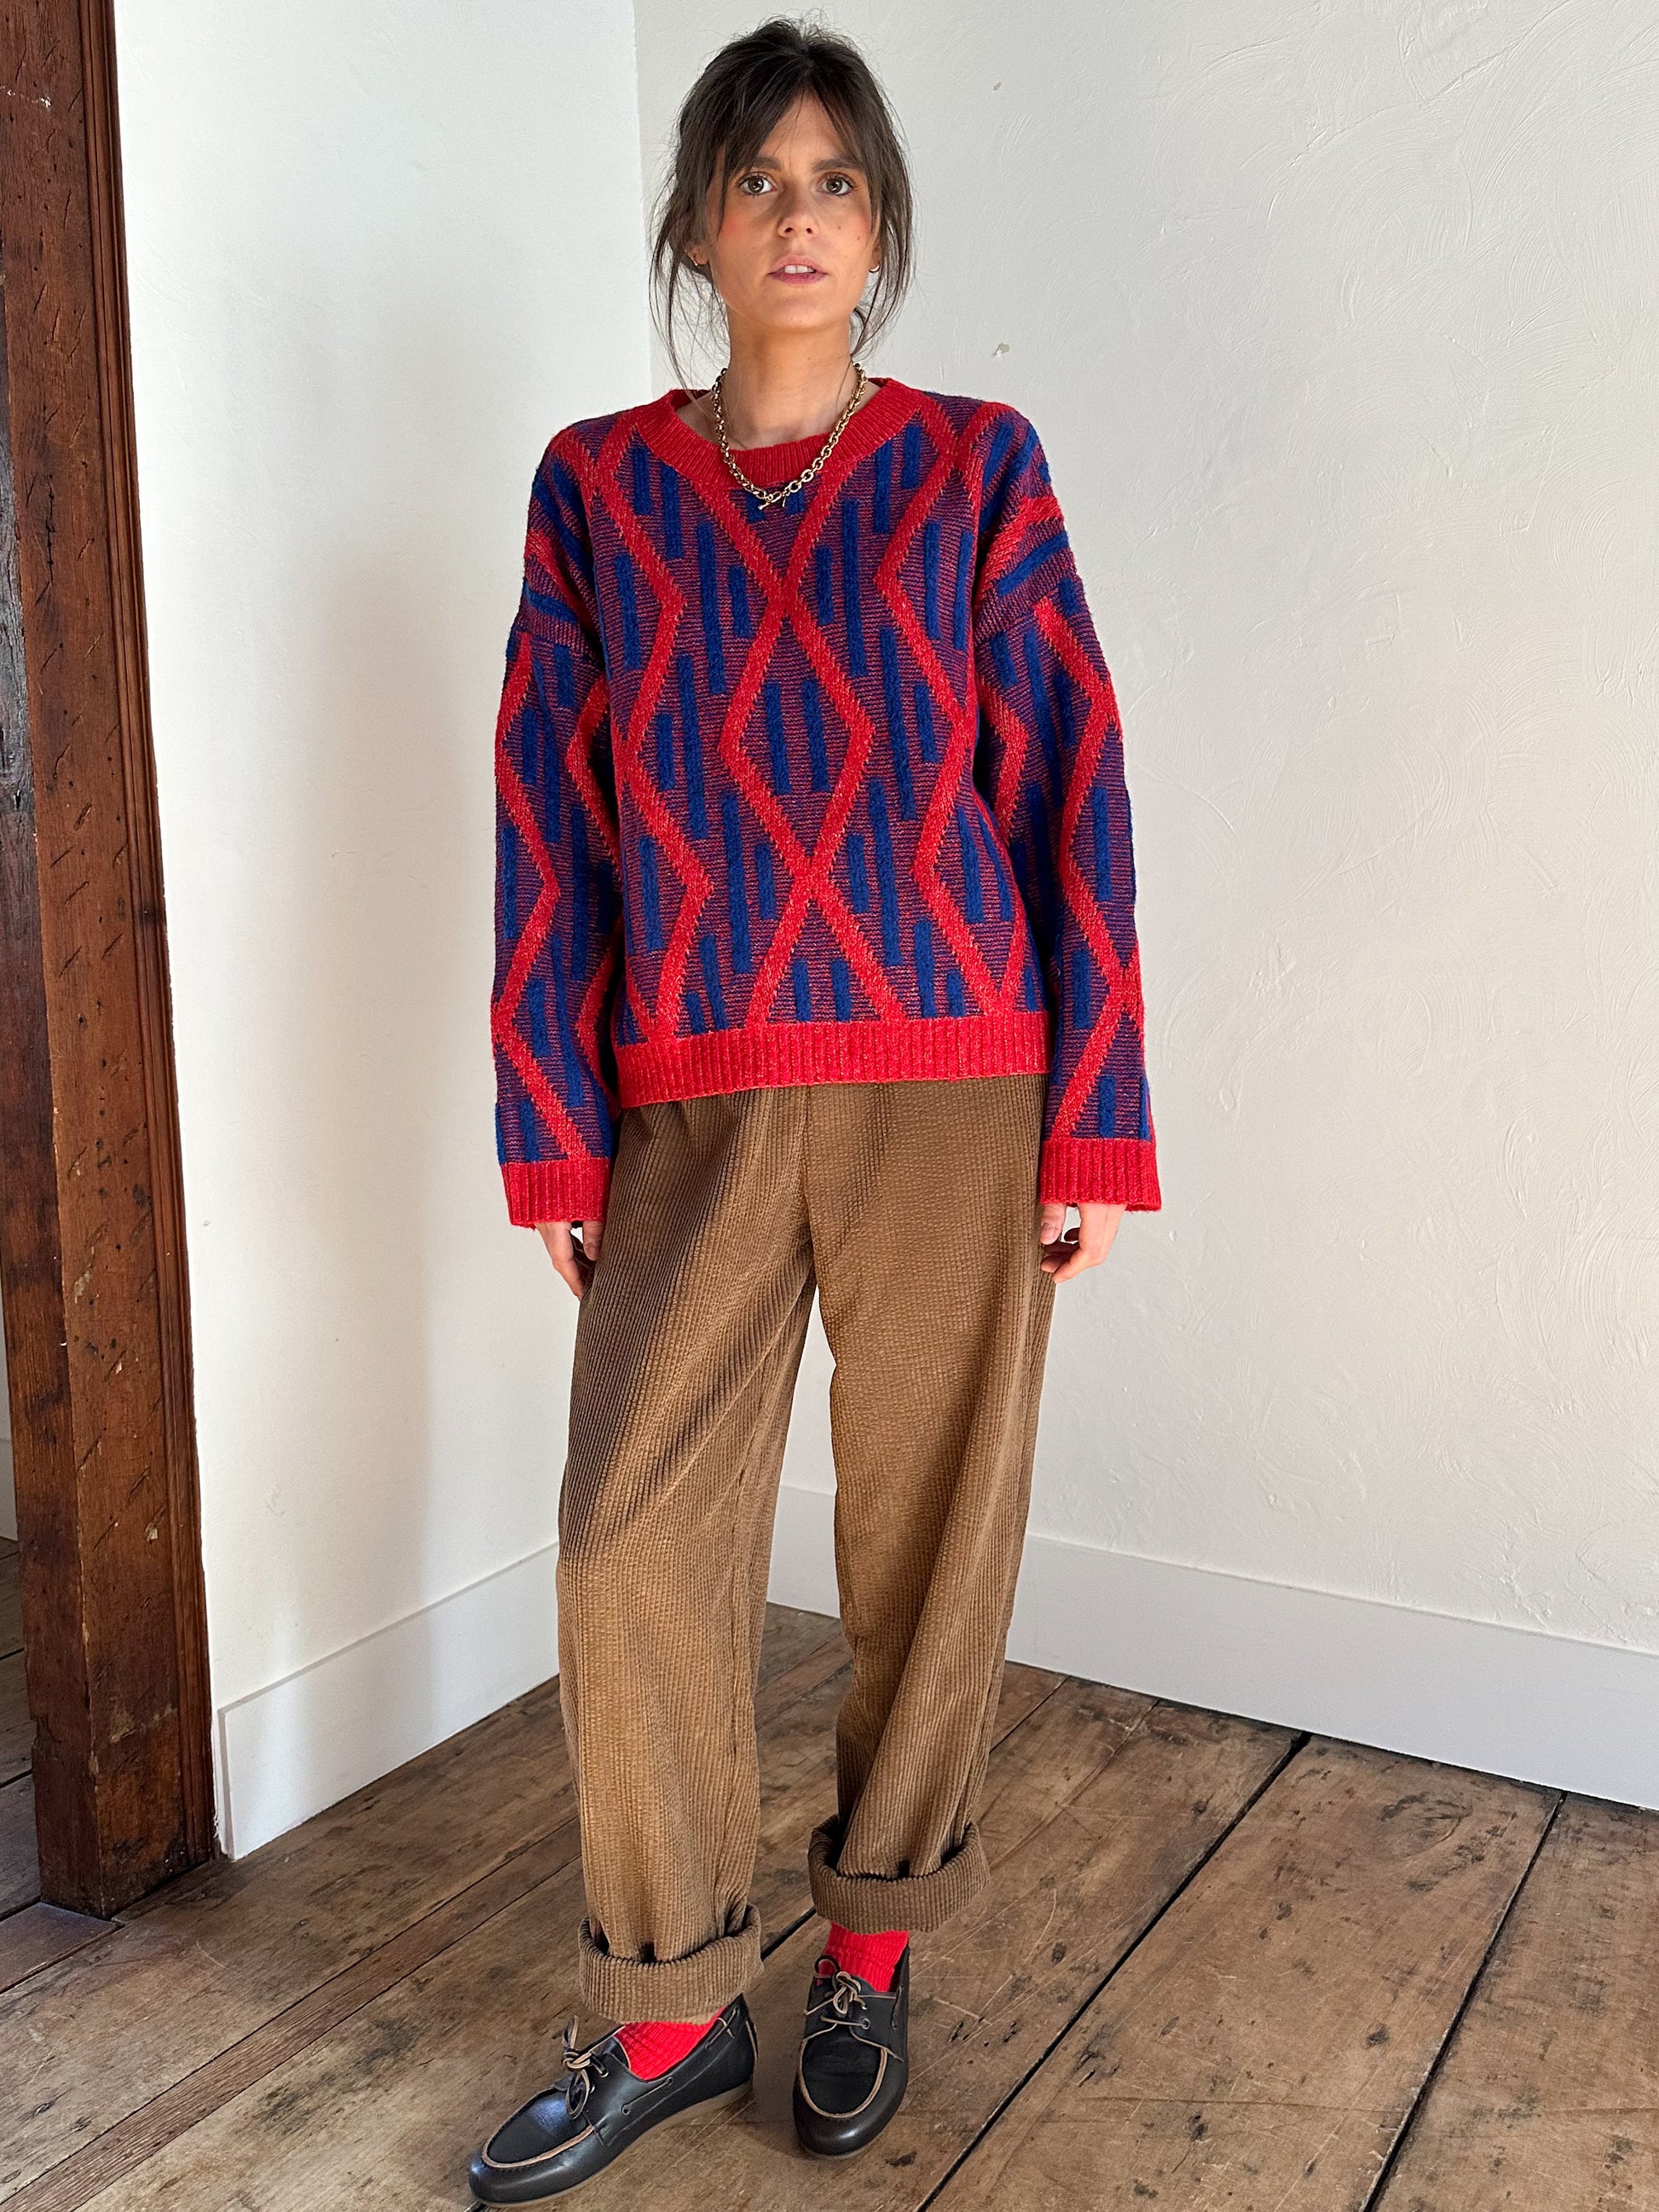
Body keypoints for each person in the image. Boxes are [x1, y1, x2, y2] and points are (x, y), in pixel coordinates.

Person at [471, 15, 1160, 2201]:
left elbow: (1071, 776)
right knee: (625, 1537)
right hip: (681, 1092)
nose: (795, 215)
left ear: (879, 230)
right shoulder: (595, 487)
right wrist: (547, 1115)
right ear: (696, 225)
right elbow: (543, 817)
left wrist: (1097, 1110)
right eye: (755, 179)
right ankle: (675, 2006)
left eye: (834, 180)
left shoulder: (976, 465)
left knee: (929, 1529)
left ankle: (866, 1949)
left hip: (955, 1078)